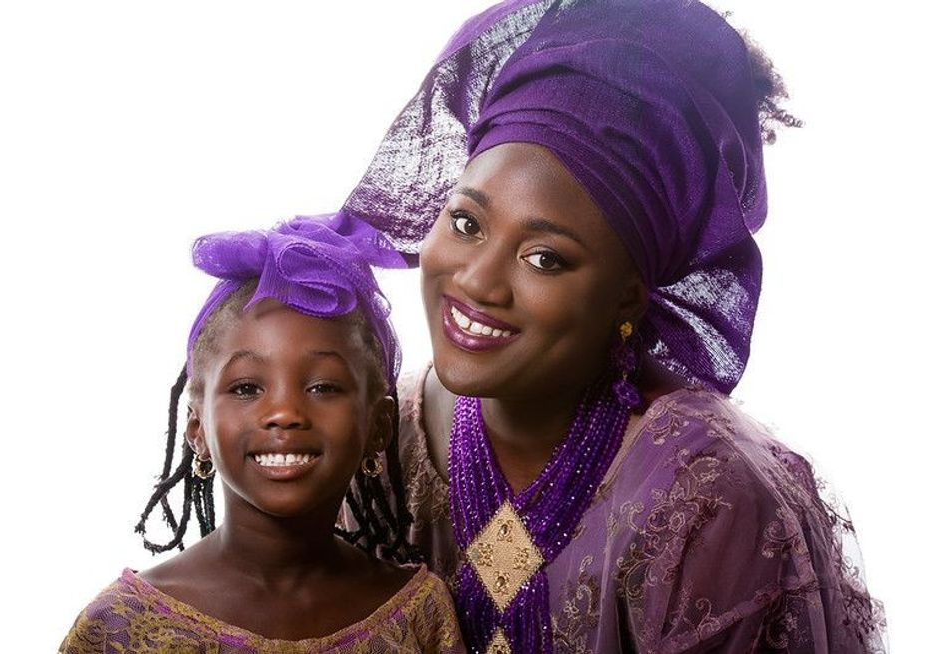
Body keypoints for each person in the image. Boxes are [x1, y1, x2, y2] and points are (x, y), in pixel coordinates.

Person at [339, 1, 886, 652]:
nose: (478, 281)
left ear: (629, 297)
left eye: (545, 258)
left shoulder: (708, 505)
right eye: (465, 222)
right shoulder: (385, 435)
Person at [60, 215, 465, 653]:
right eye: (246, 388)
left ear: (379, 427)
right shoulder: (121, 628)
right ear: (197, 428)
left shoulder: (417, 615)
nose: (285, 413)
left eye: (323, 387)